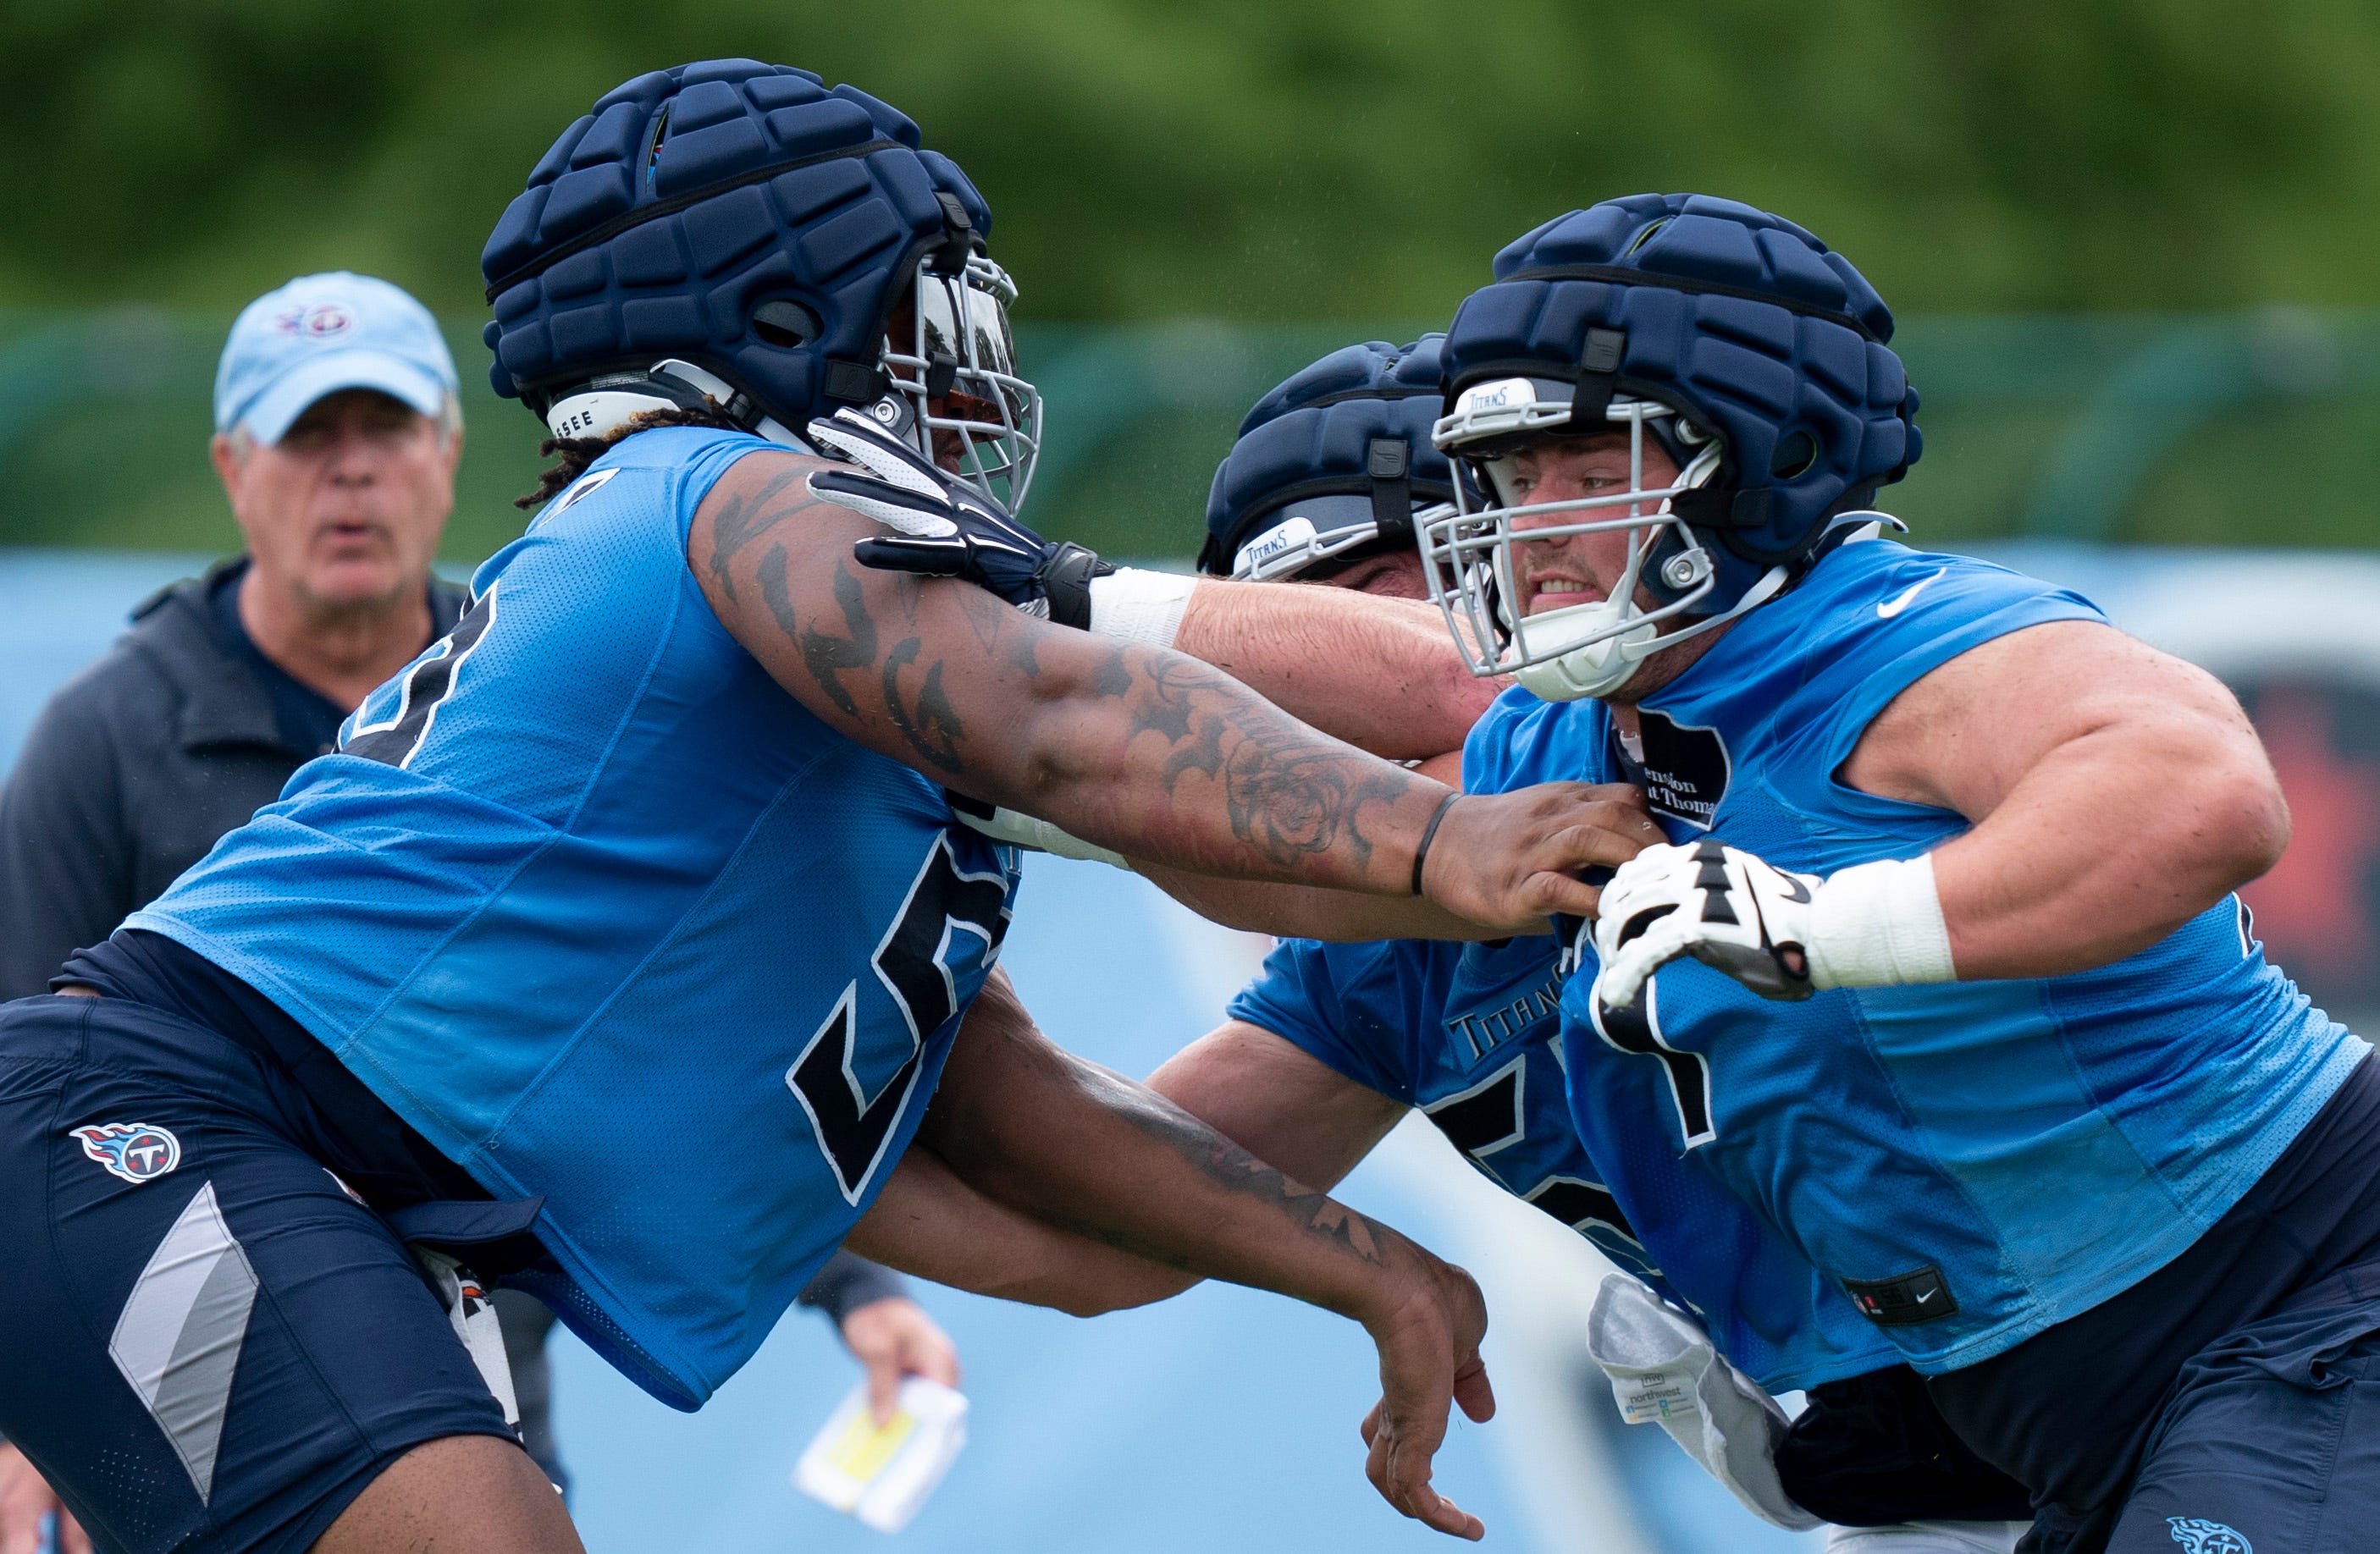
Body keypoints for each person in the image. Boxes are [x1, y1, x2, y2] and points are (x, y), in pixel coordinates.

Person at [0, 60, 1645, 1554]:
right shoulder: (721, 486)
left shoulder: (797, 717)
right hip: (128, 1132)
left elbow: (1012, 1128)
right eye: (933, 309)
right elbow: (1069, 717)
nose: (967, 362)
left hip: (201, 1172)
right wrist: (1447, 836)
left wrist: (1362, 1268)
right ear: (785, 318)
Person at [1411, 194, 2376, 1554]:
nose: (1537, 533)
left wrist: (1824, 926)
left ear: (1767, 458)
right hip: (2068, 1400)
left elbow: (2205, 794)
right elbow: (1339, 724)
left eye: (1590, 472)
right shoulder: (1554, 735)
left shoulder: (1904, 645)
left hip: (2313, 1291)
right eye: (1513, 484)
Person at [0, 270, 956, 1547]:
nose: (353, 476)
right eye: (308, 436)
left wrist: (852, 1288)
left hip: (477, 1374)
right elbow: (29, 1113)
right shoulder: (110, 736)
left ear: (448, 456)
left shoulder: (552, 669)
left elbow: (664, 1020)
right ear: (236, 469)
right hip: (205, 1363)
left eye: (386, 430)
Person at [1040, 332, 2022, 1552]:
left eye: (1368, 614)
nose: (1330, 710)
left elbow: (1473, 718)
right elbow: (1097, 1226)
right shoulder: (1377, 964)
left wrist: (1018, 718)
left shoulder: (1747, 738)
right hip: (1951, 1470)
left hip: (2179, 1359)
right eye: (1284, 649)